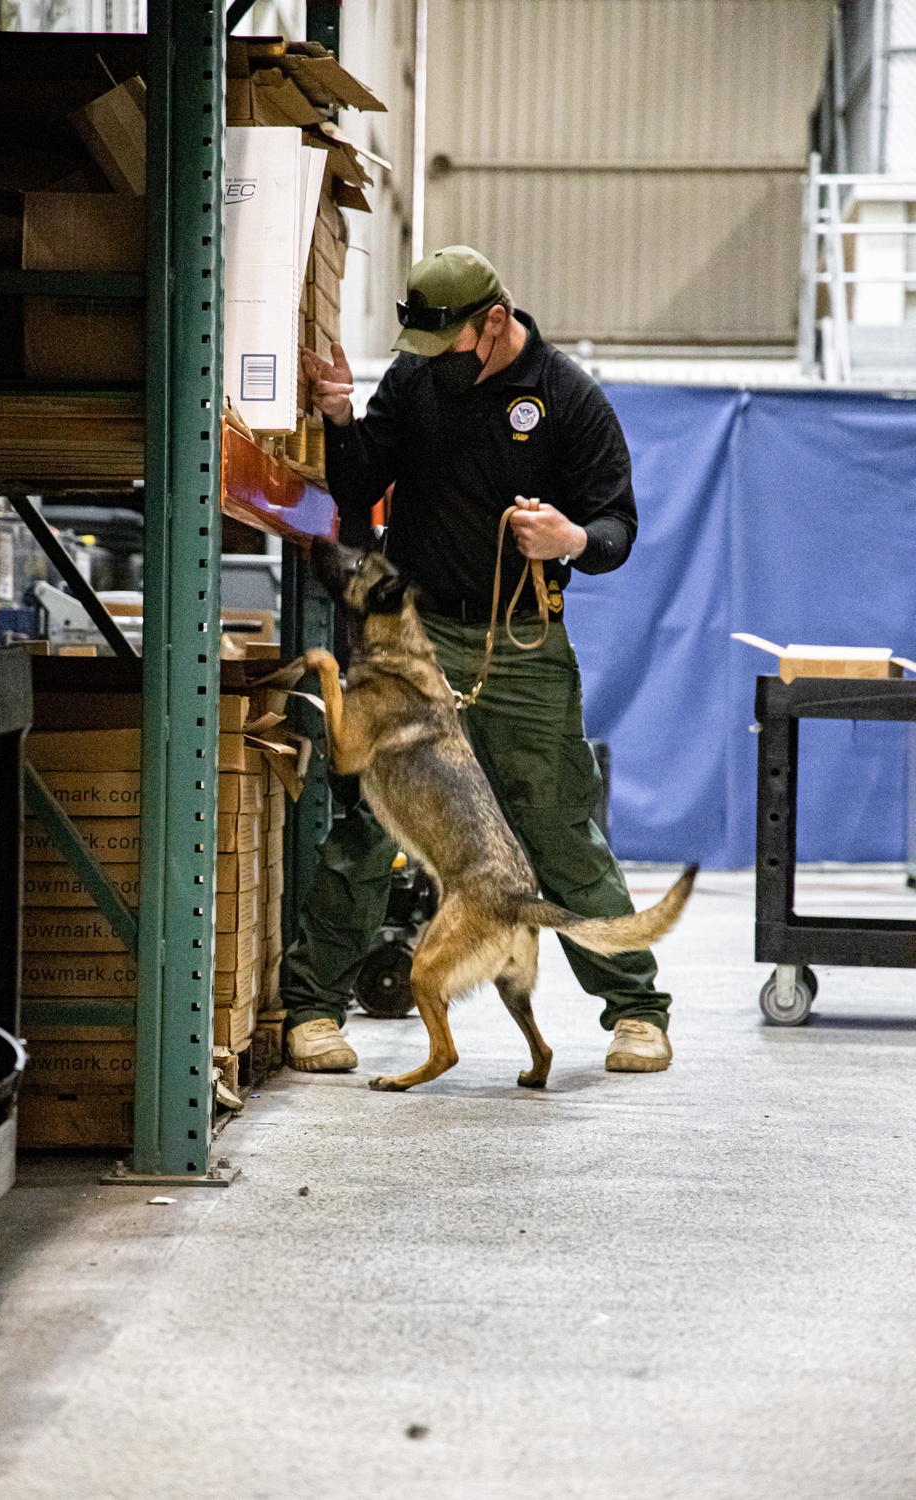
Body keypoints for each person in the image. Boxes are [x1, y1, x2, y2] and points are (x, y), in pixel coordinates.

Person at [283, 245, 673, 1077]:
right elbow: (357, 489)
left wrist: (570, 538)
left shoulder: (568, 399)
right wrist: (344, 419)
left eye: (449, 345)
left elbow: (617, 529)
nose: (433, 366)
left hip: (524, 644)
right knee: (370, 826)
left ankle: (636, 1013)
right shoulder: (419, 378)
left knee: (558, 828)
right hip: (417, 640)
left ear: (493, 322)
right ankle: (314, 1011)